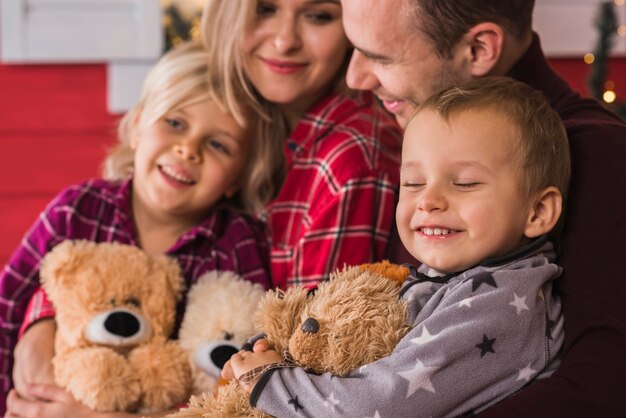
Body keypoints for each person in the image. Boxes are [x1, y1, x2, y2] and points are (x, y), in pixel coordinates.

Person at [340, 0, 626, 415]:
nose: (354, 76)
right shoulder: (421, 150)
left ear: (478, 49)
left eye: (379, 56)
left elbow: (602, 383)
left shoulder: (600, 157)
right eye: (414, 183)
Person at [225, 77, 570, 417]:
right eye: (413, 182)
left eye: (465, 183)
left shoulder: (503, 304)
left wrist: (271, 382)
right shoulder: (447, 277)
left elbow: (379, 406)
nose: (428, 200)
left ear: (537, 212)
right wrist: (274, 350)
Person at [1, 41, 275, 417]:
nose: (188, 150)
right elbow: (9, 308)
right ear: (137, 126)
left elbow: (238, 388)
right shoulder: (77, 210)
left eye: (217, 145)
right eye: (175, 123)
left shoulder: (235, 245)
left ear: (236, 179)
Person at [202, 0, 403, 290]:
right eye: (264, 9)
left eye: (318, 16)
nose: (285, 42)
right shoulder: (231, 119)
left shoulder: (349, 159)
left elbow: (319, 331)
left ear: (353, 29)